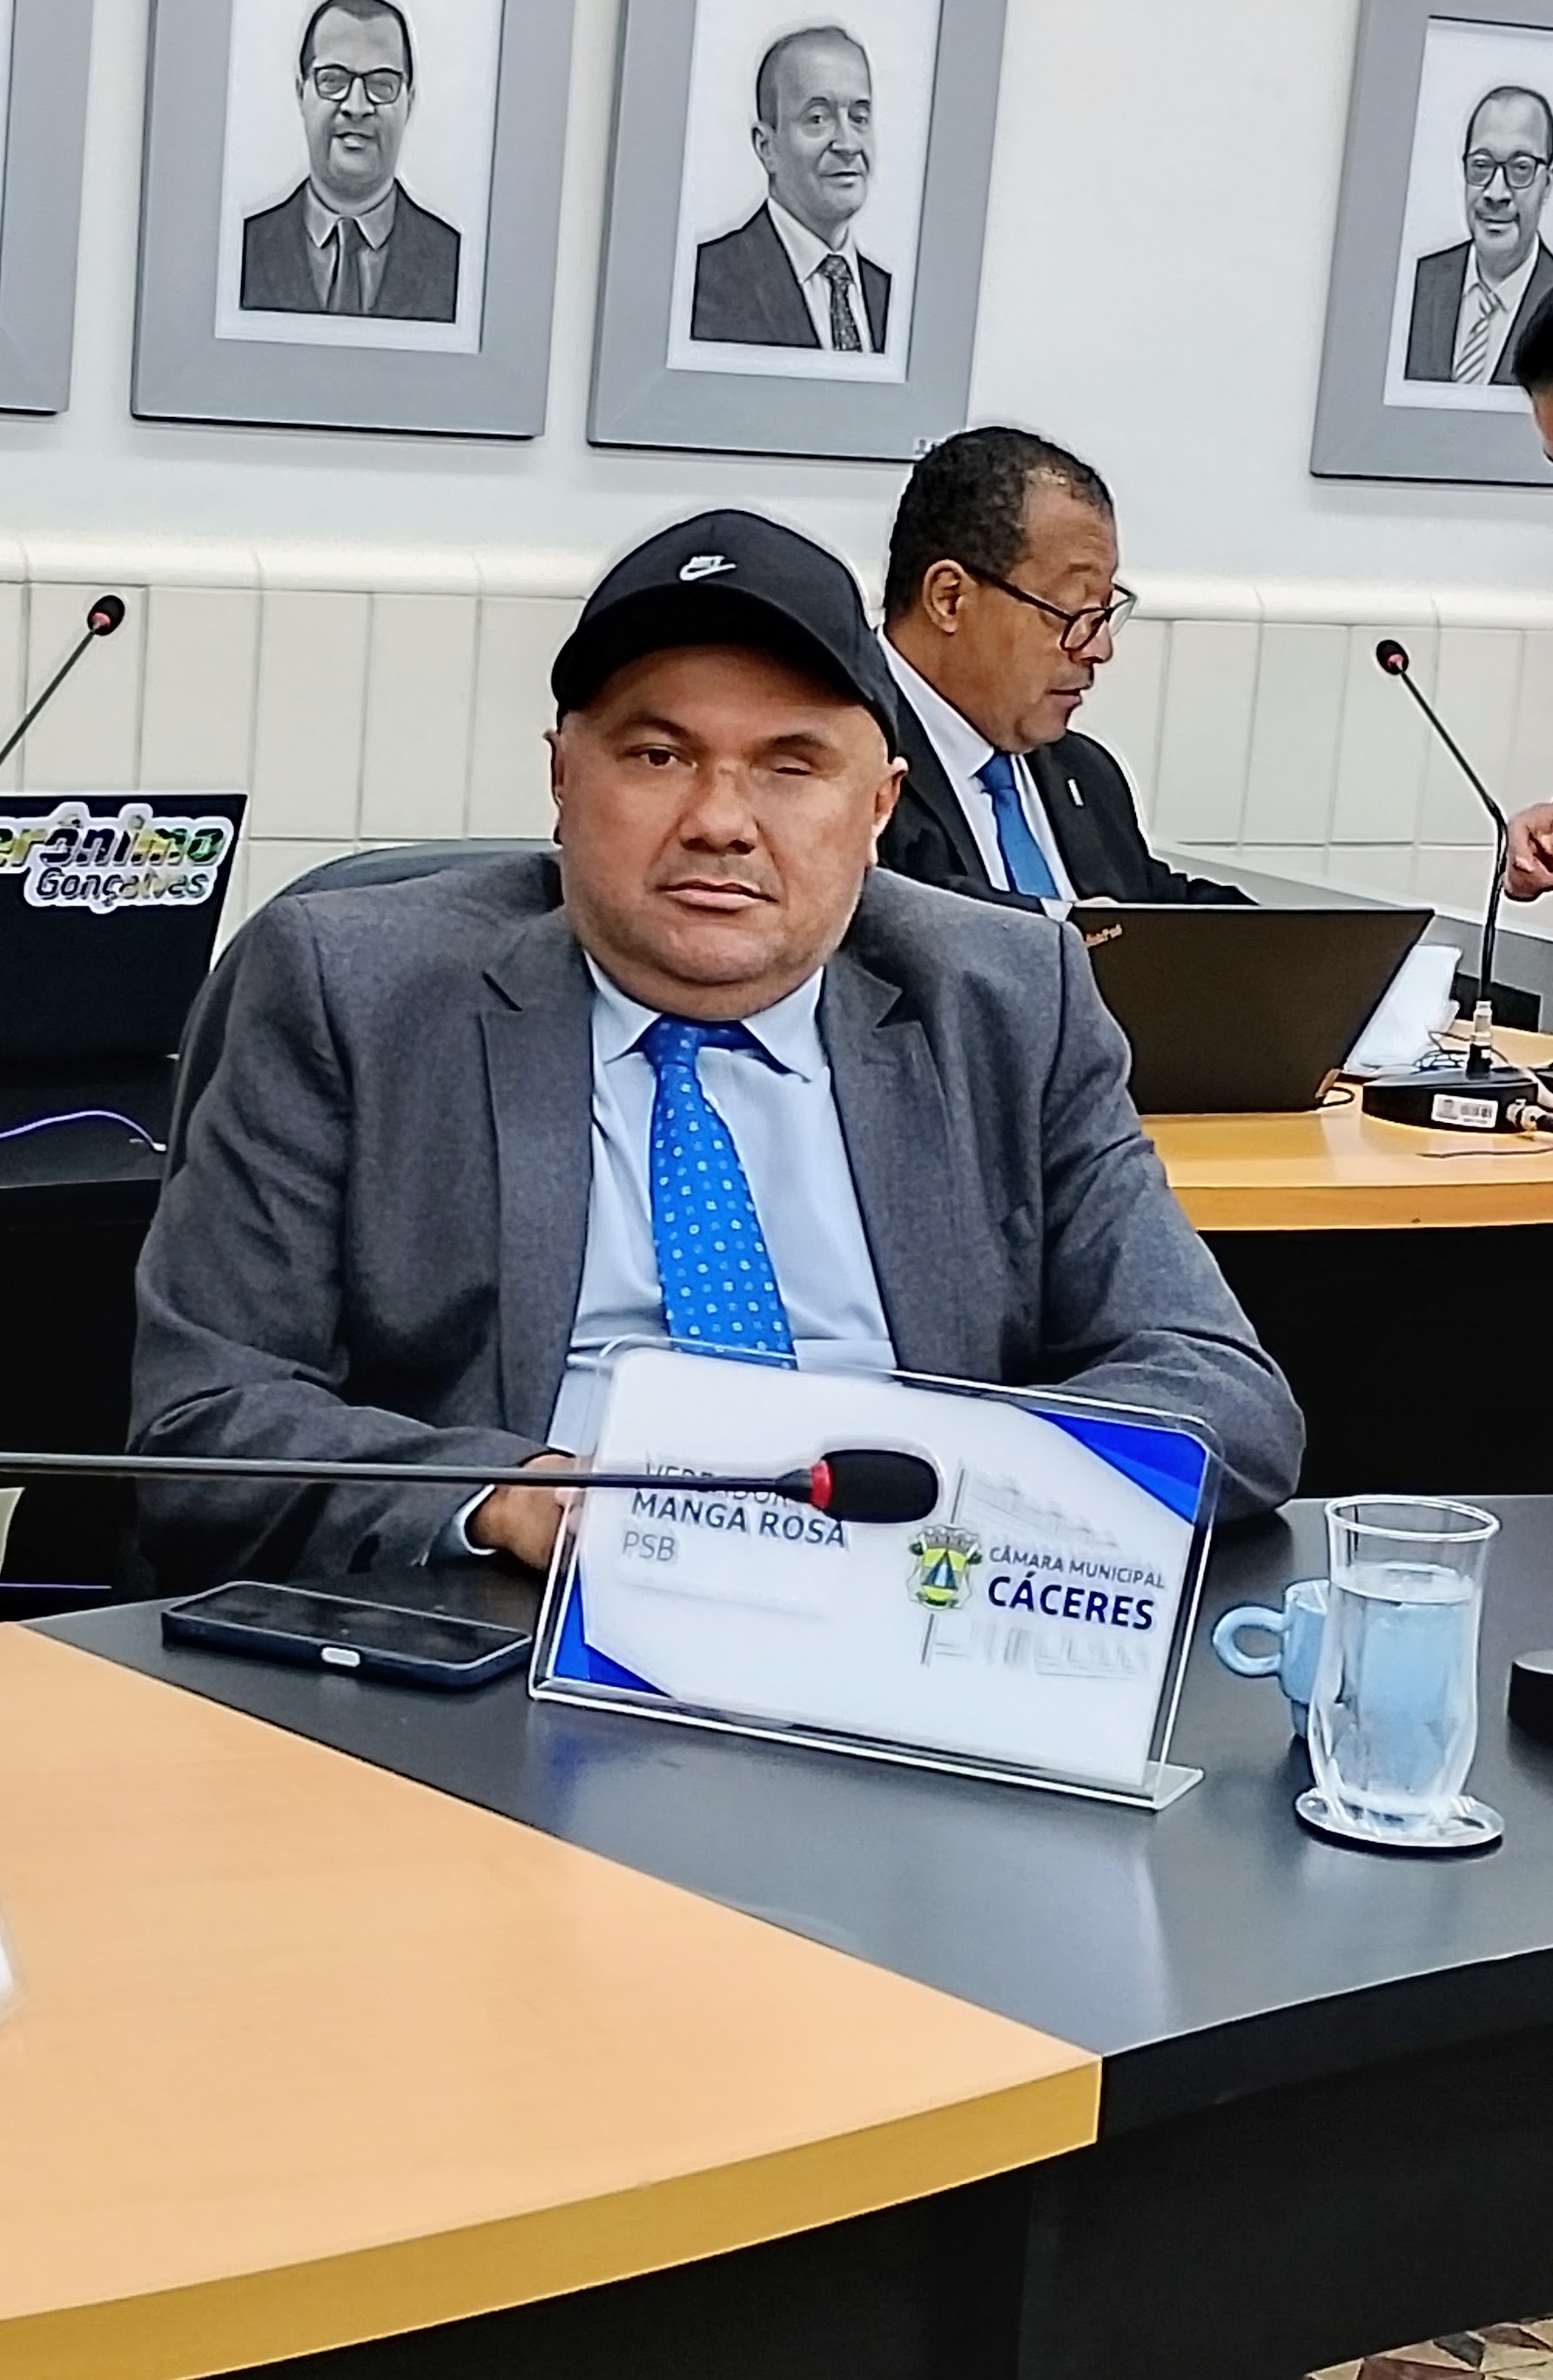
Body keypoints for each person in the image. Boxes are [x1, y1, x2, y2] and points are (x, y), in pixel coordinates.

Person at [130, 509, 1302, 1590]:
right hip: (513, 1625)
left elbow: (1222, 1396)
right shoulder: (352, 992)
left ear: (879, 807)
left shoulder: (1007, 999)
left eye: (791, 766)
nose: (720, 822)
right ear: (560, 775)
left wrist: (949, 1482)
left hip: (911, 1612)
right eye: (658, 756)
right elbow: (205, 1420)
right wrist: (502, 1496)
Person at [878, 427, 1250, 909]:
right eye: (1073, 612)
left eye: (1103, 615)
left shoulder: (1087, 773)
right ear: (950, 598)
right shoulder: (838, 767)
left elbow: (1157, 910)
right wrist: (1070, 934)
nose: (1099, 649)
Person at [241, 0, 461, 324]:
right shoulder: (240, 250)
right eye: (333, 80)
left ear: (410, 102)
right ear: (301, 93)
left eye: (382, 84)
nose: (356, 107)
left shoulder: (459, 263)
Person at [691, 26, 891, 353]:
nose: (848, 144)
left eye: (859, 117)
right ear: (766, 147)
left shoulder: (892, 296)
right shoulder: (703, 284)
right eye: (817, 118)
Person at [1405, 85, 1553, 386]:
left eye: (1520, 168)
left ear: (1547, 184)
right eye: (1481, 165)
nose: (1496, 193)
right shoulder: (1415, 284)